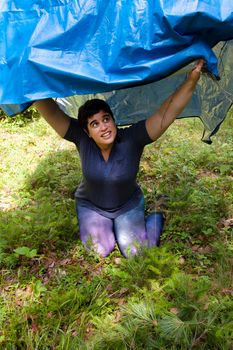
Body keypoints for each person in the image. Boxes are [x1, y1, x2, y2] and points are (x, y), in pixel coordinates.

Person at [34, 59, 204, 258]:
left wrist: (192, 79)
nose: (103, 127)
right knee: (98, 251)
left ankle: (157, 212)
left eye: (106, 119)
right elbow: (51, 111)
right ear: (87, 131)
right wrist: (29, 81)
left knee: (137, 253)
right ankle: (109, 230)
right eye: (94, 124)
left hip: (127, 205)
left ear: (114, 121)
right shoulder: (81, 139)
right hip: (92, 205)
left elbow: (166, 113)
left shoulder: (133, 138)